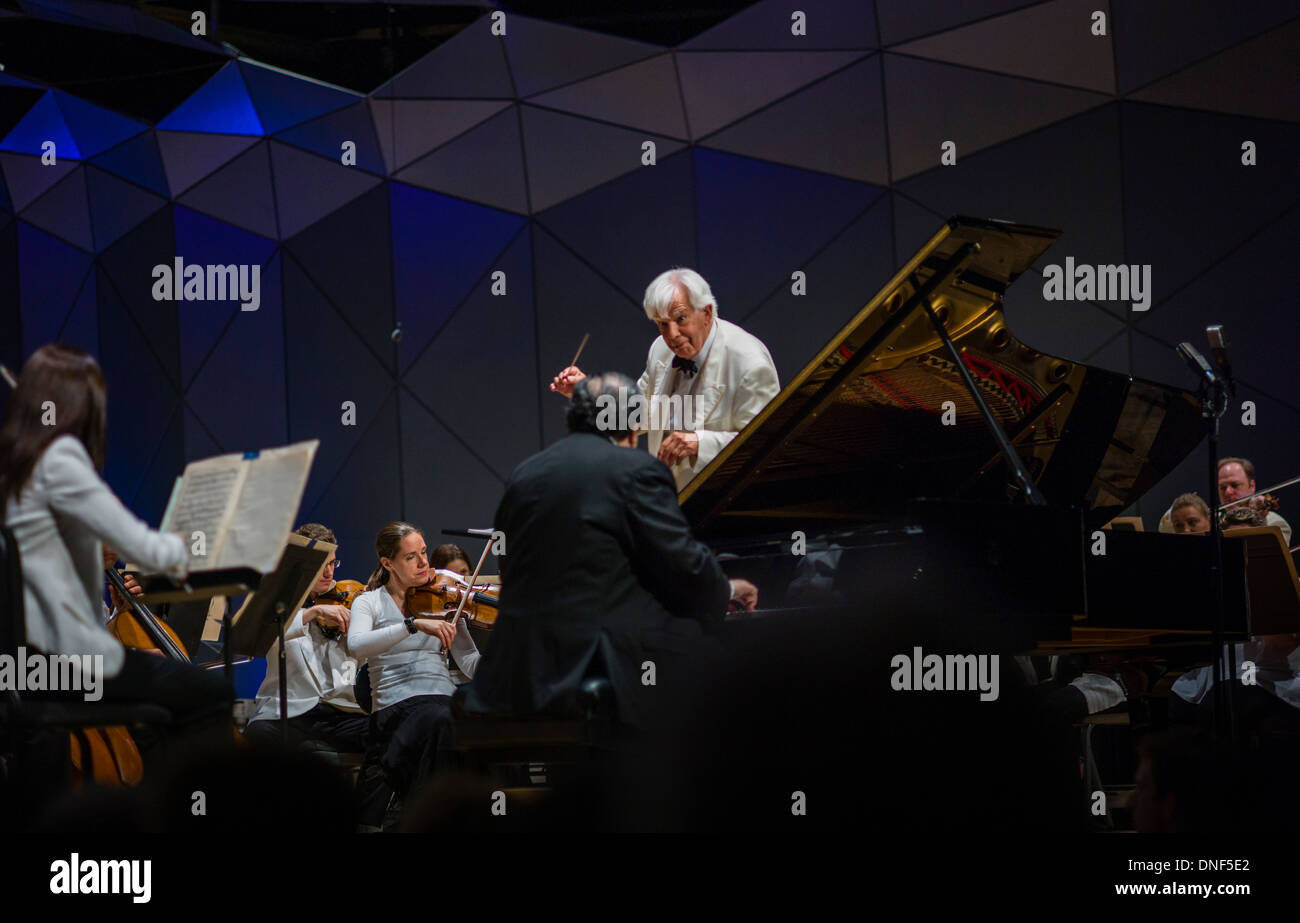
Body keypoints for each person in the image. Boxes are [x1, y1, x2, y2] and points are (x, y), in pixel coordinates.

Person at [463, 372, 759, 730]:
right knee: (739, 671)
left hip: (520, 670)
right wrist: (725, 590)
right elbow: (683, 565)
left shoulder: (525, 474)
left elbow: (510, 567)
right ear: (633, 428)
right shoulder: (636, 468)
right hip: (602, 662)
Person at [0, 345, 232, 763]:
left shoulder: (19, 472)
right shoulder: (55, 466)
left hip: (32, 669)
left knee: (161, 697)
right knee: (209, 691)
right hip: (54, 668)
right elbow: (143, 548)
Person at [551, 268, 780, 490]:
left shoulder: (750, 364)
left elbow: (768, 445)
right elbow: (636, 415)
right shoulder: (661, 349)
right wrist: (585, 392)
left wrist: (700, 442)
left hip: (725, 499)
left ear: (707, 313)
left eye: (681, 318)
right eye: (662, 324)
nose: (672, 335)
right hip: (670, 497)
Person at [347, 522, 480, 804]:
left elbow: (468, 658)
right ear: (388, 563)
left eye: (423, 552)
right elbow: (356, 646)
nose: (423, 563)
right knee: (441, 722)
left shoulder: (442, 598)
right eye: (411, 557)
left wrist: (501, 672)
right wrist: (411, 624)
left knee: (477, 722)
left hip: (442, 701)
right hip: (396, 707)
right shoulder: (368, 602)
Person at [243, 523, 367, 750]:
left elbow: (364, 656)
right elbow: (264, 638)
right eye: (321, 564)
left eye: (332, 563)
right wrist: (313, 612)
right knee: (258, 736)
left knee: (385, 733)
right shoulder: (275, 601)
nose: (329, 572)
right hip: (289, 710)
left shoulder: (348, 596)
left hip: (338, 710)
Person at [1158, 457, 1291, 541]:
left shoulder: (1276, 522)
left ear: (1252, 486)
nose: (1228, 492)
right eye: (1222, 487)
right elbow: (1166, 531)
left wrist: (1257, 517)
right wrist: (1192, 510)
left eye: (1235, 485)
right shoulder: (1211, 519)